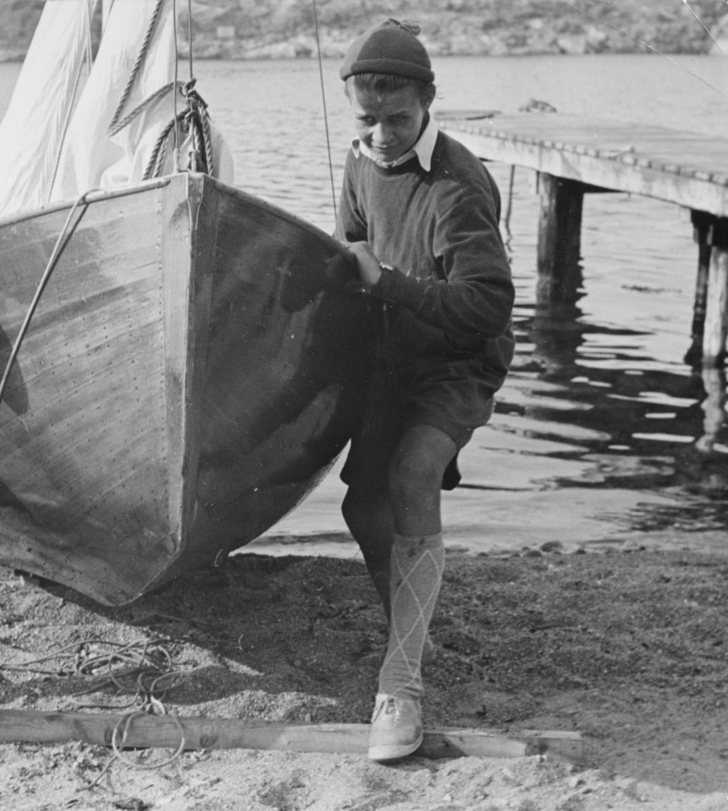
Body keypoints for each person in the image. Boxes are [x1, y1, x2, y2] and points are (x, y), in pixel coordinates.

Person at [331, 19, 515, 762]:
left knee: (413, 473)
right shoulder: (358, 161)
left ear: (428, 102)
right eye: (366, 120)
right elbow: (350, 253)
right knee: (359, 503)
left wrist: (391, 284)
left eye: (397, 119)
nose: (380, 135)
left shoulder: (458, 187)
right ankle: (410, 623)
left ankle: (400, 679)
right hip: (395, 350)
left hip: (460, 358)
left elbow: (487, 305)